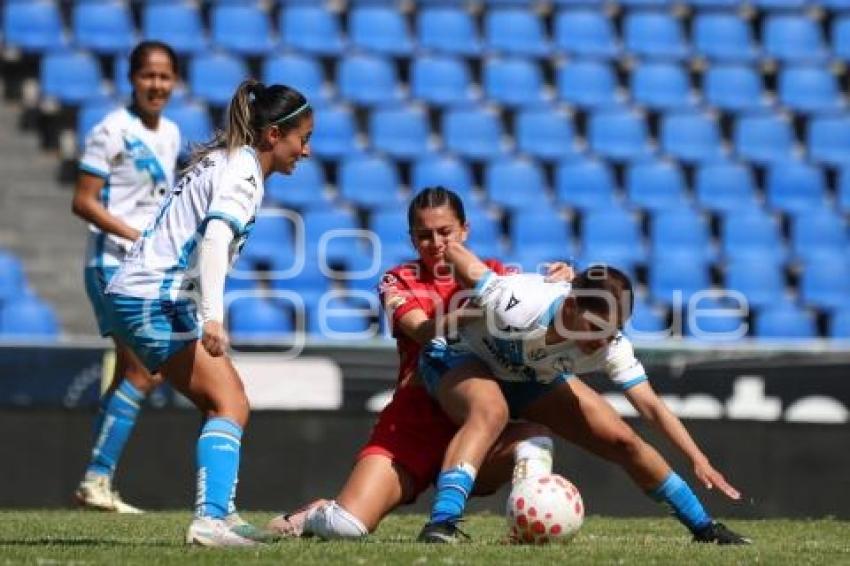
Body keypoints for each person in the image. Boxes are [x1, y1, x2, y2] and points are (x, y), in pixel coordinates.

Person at [266, 187, 571, 540]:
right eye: (424, 235)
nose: (436, 243)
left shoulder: (496, 275)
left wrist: (560, 286)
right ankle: (317, 514)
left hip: (476, 419)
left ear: (465, 231)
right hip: (415, 422)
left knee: (534, 441)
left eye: (446, 232)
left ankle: (523, 527)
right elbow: (424, 332)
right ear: (412, 239)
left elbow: (539, 310)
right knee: (348, 527)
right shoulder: (397, 281)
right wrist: (475, 311)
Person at [416, 241, 751, 545]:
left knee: (623, 439)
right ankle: (442, 523)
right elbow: (463, 259)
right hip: (458, 358)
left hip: (527, 377)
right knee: (490, 410)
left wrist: (699, 459)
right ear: (572, 304)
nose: (601, 341)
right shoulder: (516, 303)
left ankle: (705, 528)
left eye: (612, 331)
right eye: (595, 328)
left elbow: (651, 407)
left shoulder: (609, 346)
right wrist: (447, 246)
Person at [103, 79, 313, 546]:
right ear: (274, 135)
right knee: (230, 402)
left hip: (138, 293)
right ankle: (210, 521)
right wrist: (213, 317)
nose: (307, 151)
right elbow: (216, 239)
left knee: (223, 398)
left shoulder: (225, 161)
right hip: (153, 297)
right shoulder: (242, 172)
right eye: (303, 138)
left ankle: (225, 514)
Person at [72, 41, 180, 513]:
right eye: (148, 76)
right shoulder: (111, 131)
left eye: (165, 76)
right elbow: (84, 200)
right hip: (111, 264)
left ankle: (97, 479)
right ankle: (95, 479)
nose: (156, 85)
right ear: (131, 79)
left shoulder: (172, 133)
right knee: (143, 371)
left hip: (144, 268)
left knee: (138, 374)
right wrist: (136, 236)